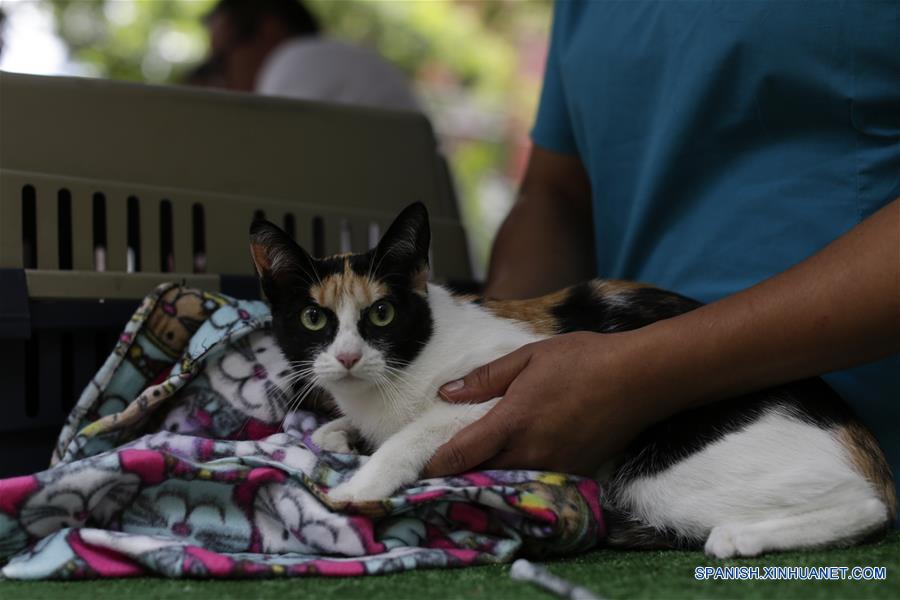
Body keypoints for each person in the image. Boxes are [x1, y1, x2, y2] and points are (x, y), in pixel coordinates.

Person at [424, 0, 900, 508]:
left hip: (848, 482)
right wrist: (488, 381)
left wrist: (638, 376)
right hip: (636, 477)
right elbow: (557, 195)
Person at [203, 0, 419, 112]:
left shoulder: (297, 57)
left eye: (220, 59)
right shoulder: (337, 59)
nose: (222, 81)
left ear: (270, 30)